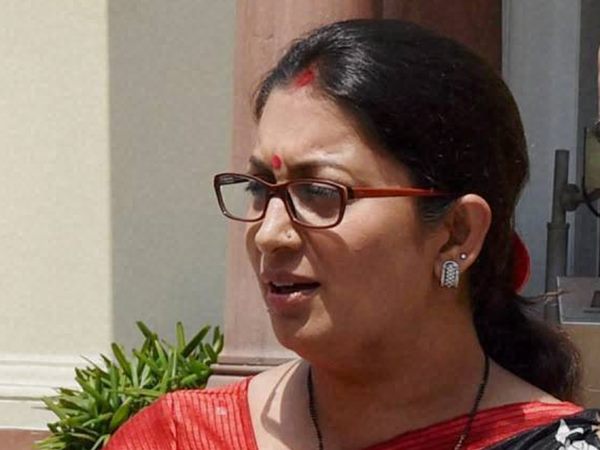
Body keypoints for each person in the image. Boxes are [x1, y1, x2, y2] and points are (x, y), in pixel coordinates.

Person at [105, 19, 600, 450]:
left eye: (321, 191)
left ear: (457, 233)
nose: (269, 234)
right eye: (259, 188)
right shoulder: (180, 437)